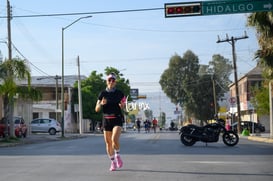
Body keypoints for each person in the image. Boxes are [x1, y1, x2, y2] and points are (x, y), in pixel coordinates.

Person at [95, 72, 126, 171]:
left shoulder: (120, 93)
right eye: (109, 80)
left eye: (113, 80)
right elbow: (96, 109)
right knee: (108, 143)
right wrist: (101, 104)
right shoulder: (102, 94)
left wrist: (123, 106)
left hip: (117, 118)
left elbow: (125, 107)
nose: (111, 82)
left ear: (115, 82)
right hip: (106, 120)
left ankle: (117, 155)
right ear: (106, 81)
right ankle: (112, 162)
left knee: (114, 140)